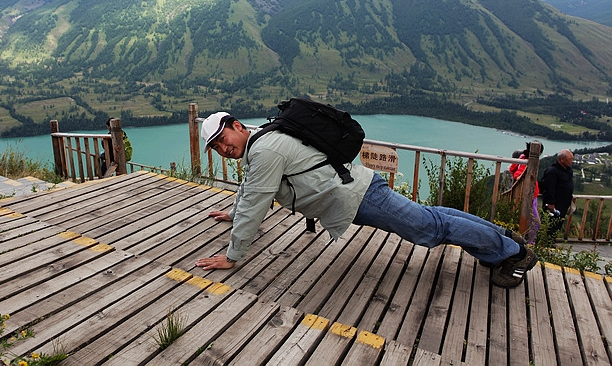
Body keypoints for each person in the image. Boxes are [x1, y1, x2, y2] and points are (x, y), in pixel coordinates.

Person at [194, 111, 538, 289]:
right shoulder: (261, 142)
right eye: (216, 148)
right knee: (431, 218)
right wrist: (232, 212)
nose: (224, 149)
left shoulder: (264, 150)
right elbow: (250, 190)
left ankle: (514, 254)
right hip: (356, 192)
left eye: (223, 139)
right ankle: (503, 242)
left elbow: (255, 201)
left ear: (237, 126)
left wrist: (232, 256)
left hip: (358, 197)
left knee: (428, 229)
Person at [539, 149, 574, 244]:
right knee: (550, 226)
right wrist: (550, 203)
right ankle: (545, 244)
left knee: (557, 225)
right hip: (554, 205)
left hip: (563, 204)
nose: (572, 161)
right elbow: (549, 188)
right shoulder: (552, 171)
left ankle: (551, 243)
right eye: (570, 159)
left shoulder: (567, 171)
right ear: (562, 159)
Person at [509, 143, 541, 244]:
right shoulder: (527, 161)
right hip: (529, 194)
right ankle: (529, 243)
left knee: (532, 221)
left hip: (533, 195)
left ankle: (528, 242)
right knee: (535, 222)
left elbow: (513, 170)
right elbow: (519, 174)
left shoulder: (522, 158)